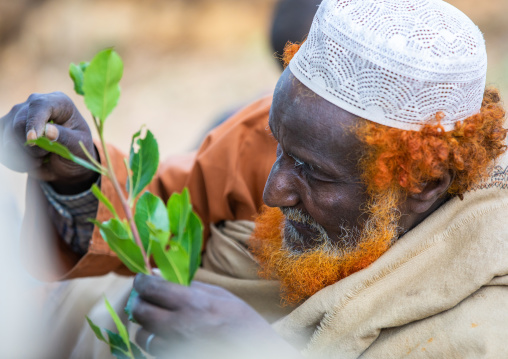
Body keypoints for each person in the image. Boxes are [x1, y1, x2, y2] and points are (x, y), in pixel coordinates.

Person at [1, 0, 508, 357]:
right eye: (280, 147)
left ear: (423, 183)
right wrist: (76, 174)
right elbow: (150, 216)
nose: (272, 189)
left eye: (311, 171)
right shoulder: (294, 131)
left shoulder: (487, 299)